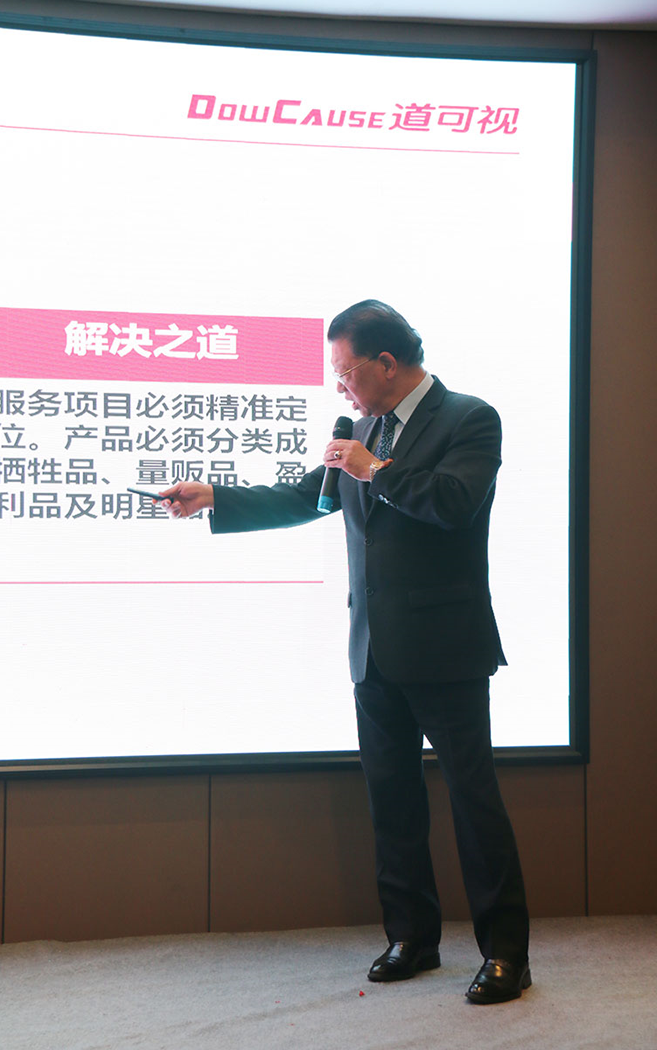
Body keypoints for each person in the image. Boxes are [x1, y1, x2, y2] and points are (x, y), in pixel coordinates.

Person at [159, 300, 530, 1005]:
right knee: (392, 802)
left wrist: (374, 469)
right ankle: (412, 938)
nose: (339, 386)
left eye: (345, 371)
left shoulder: (469, 418)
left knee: (474, 804)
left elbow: (454, 502)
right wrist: (214, 497)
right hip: (374, 651)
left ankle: (507, 953)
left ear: (386, 363)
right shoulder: (363, 431)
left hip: (446, 648)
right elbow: (314, 496)